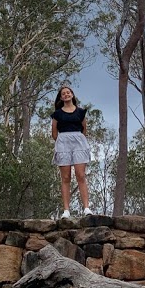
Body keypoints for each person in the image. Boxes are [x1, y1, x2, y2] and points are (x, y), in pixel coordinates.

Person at [51, 84, 93, 218]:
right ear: (61, 97)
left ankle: (86, 208)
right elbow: (54, 133)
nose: (66, 94)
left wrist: (77, 139)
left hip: (79, 143)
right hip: (63, 143)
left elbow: (84, 129)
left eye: (68, 92)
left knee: (81, 175)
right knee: (66, 177)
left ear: (72, 95)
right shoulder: (57, 114)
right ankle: (66, 210)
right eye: (63, 93)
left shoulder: (80, 112)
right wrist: (64, 141)